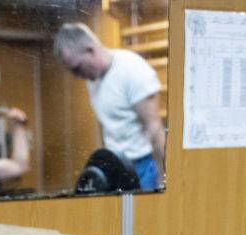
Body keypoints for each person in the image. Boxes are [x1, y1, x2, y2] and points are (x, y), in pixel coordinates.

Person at [54, 23, 165, 191]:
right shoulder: (93, 79)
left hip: (146, 166)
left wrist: (163, 179)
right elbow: (105, 124)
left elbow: (155, 128)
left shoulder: (133, 70)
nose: (77, 76)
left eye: (77, 68)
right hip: (115, 166)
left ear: (90, 50)